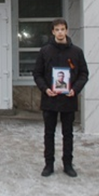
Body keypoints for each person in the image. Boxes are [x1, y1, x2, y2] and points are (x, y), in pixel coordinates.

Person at [32, 18, 89, 177]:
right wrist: (45, 89)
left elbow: (84, 74)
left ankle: (68, 164)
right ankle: (48, 164)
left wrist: (75, 89)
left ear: (67, 30)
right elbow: (37, 73)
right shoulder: (45, 51)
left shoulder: (76, 52)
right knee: (49, 133)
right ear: (52, 32)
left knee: (68, 133)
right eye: (57, 29)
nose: (60, 32)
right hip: (50, 98)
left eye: (62, 29)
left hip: (68, 99)